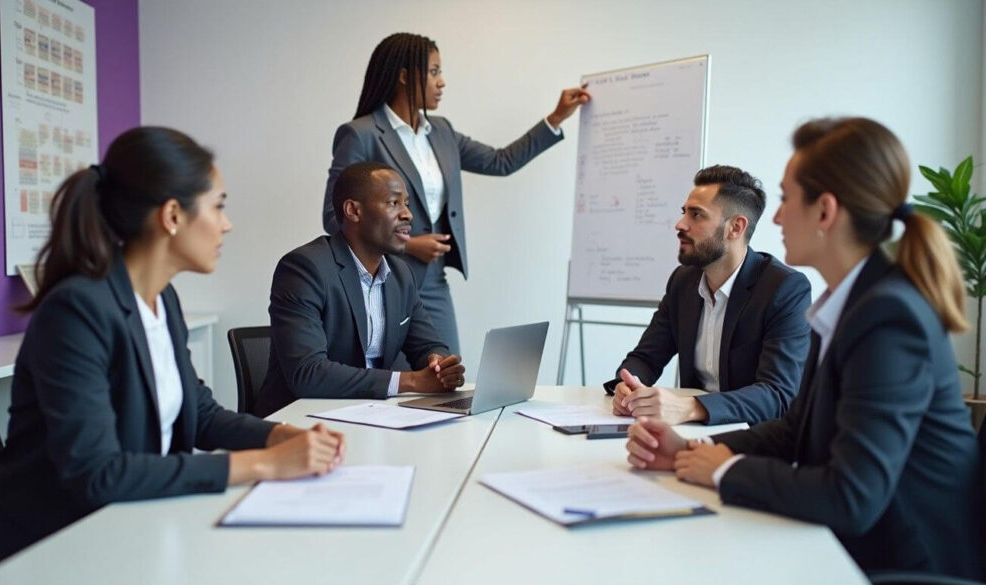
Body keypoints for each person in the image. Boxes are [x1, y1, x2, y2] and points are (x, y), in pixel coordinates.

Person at [0, 127, 346, 563]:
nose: (227, 223)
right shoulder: (76, 311)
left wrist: (281, 435)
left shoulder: (161, 298)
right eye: (218, 206)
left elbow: (198, 412)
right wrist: (267, 464)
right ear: (172, 216)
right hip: (43, 548)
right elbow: (97, 473)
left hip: (124, 527)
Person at [625, 117, 984, 579]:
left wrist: (724, 471)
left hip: (905, 563)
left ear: (825, 211)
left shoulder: (889, 319)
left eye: (786, 198)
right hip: (854, 544)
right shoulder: (850, 301)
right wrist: (690, 451)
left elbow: (850, 497)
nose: (774, 217)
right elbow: (796, 430)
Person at [321, 32, 590, 356]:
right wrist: (408, 244)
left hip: (433, 281)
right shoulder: (361, 134)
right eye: (434, 71)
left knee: (448, 377)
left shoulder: (442, 132)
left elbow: (500, 161)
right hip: (382, 277)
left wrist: (556, 118)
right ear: (406, 76)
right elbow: (334, 217)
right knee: (396, 386)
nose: (442, 81)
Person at [255, 162, 465, 417]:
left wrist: (439, 364)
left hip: (371, 415)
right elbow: (307, 373)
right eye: (393, 203)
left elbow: (429, 344)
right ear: (353, 210)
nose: (407, 214)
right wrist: (411, 381)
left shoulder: (401, 274)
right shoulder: (305, 269)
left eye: (406, 204)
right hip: (298, 422)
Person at [607, 165, 811, 425]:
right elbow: (646, 357)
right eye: (684, 213)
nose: (680, 224)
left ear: (735, 228)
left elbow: (777, 394)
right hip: (693, 432)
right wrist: (626, 387)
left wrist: (690, 408)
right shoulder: (683, 281)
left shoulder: (784, 288)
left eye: (697, 215)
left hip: (753, 440)